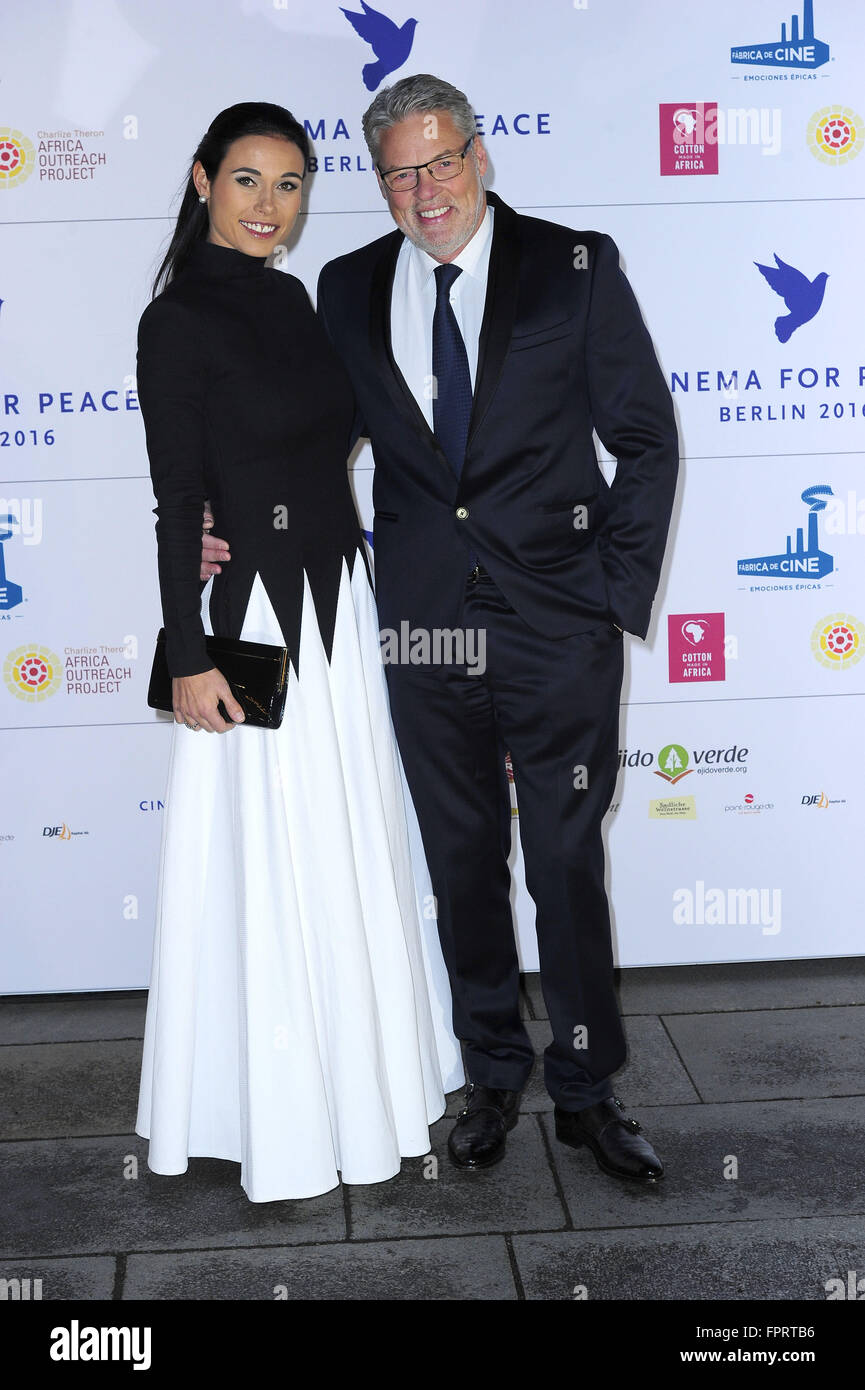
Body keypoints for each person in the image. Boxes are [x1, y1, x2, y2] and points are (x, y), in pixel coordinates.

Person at [203, 76, 679, 1182]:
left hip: (557, 622)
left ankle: (585, 1087)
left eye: (440, 162)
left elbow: (644, 440)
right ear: (377, 183)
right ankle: (492, 1071)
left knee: (562, 859)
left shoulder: (575, 265)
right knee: (461, 858)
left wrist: (610, 590)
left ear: (480, 155)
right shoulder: (346, 285)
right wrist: (222, 523)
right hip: (421, 627)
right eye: (397, 173)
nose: (424, 191)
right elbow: (312, 447)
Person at [135, 101, 462, 1205]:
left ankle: (363, 1082)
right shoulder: (175, 322)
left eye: (288, 184)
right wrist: (188, 654)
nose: (269, 205)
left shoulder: (295, 299)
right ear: (201, 181)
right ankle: (274, 1109)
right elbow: (178, 499)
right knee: (268, 865)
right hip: (255, 632)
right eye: (246, 181)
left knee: (345, 844)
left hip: (336, 612)